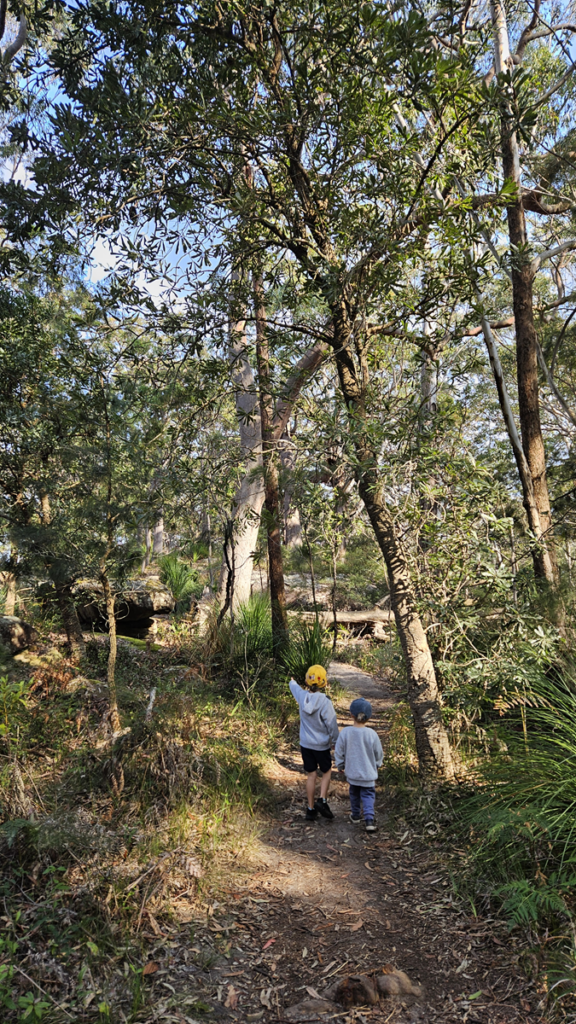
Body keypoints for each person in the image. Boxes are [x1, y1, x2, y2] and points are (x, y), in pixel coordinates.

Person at [289, 665, 339, 821]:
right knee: (326, 771)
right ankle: (322, 799)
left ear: (306, 681)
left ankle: (310, 809)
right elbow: (331, 724)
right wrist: (336, 741)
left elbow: (294, 687)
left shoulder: (301, 696)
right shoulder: (325, 702)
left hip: (306, 745)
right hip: (321, 745)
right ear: (324, 682)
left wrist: (292, 682)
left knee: (311, 774)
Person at [335, 697, 382, 833]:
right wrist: (377, 764)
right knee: (368, 796)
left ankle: (355, 815)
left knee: (354, 794)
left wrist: (340, 765)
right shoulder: (372, 734)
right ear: (369, 716)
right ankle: (369, 819)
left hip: (353, 773)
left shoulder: (346, 732)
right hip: (368, 774)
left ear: (351, 715)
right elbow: (378, 752)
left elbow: (339, 750)